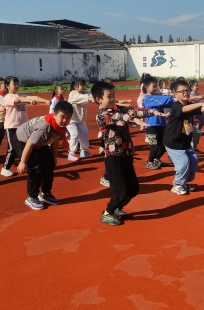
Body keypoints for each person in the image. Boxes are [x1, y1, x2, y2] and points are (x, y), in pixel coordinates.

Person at [92, 81, 165, 226]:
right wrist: (136, 121)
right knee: (121, 191)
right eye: (109, 96)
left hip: (126, 154)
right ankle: (107, 213)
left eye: (114, 95)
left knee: (133, 189)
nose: (113, 98)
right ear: (99, 99)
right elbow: (121, 117)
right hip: (114, 157)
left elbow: (133, 111)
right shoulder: (102, 115)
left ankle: (117, 209)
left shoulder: (117, 109)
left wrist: (153, 112)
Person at [164, 80, 204, 195]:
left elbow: (202, 108)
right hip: (173, 142)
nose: (186, 93)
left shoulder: (190, 105)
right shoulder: (176, 106)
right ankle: (177, 184)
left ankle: (184, 183)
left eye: (187, 90)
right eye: (182, 91)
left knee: (193, 160)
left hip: (185, 141)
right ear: (175, 94)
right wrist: (199, 104)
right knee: (183, 162)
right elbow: (186, 109)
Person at [16, 101, 73, 210]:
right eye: (62, 117)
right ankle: (32, 197)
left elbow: (55, 140)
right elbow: (30, 143)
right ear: (54, 114)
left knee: (49, 164)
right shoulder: (44, 127)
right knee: (36, 169)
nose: (65, 120)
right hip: (23, 140)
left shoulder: (60, 126)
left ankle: (45, 194)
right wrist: (23, 162)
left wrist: (54, 157)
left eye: (68, 117)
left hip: (40, 142)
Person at [1, 76, 51, 177]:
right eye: (14, 84)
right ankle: (5, 168)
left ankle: (27, 165)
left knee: (25, 146)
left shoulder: (22, 95)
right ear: (7, 86)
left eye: (17, 84)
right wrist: (28, 101)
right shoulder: (7, 97)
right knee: (12, 149)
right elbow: (18, 100)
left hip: (23, 127)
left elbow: (33, 97)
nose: (16, 86)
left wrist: (45, 100)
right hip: (11, 126)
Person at [142, 76, 173, 169]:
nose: (156, 88)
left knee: (164, 145)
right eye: (154, 86)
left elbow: (168, 103)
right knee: (154, 146)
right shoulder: (147, 98)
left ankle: (157, 159)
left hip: (161, 125)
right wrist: (175, 96)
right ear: (147, 87)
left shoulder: (156, 97)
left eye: (156, 86)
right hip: (151, 126)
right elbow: (164, 100)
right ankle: (150, 161)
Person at [66, 78, 94, 162]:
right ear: (75, 87)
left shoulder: (86, 93)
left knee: (84, 133)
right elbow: (82, 98)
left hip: (80, 119)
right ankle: (71, 153)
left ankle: (83, 151)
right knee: (75, 134)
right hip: (71, 120)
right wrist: (91, 98)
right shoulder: (73, 94)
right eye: (82, 85)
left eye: (84, 85)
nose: (84, 87)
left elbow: (92, 94)